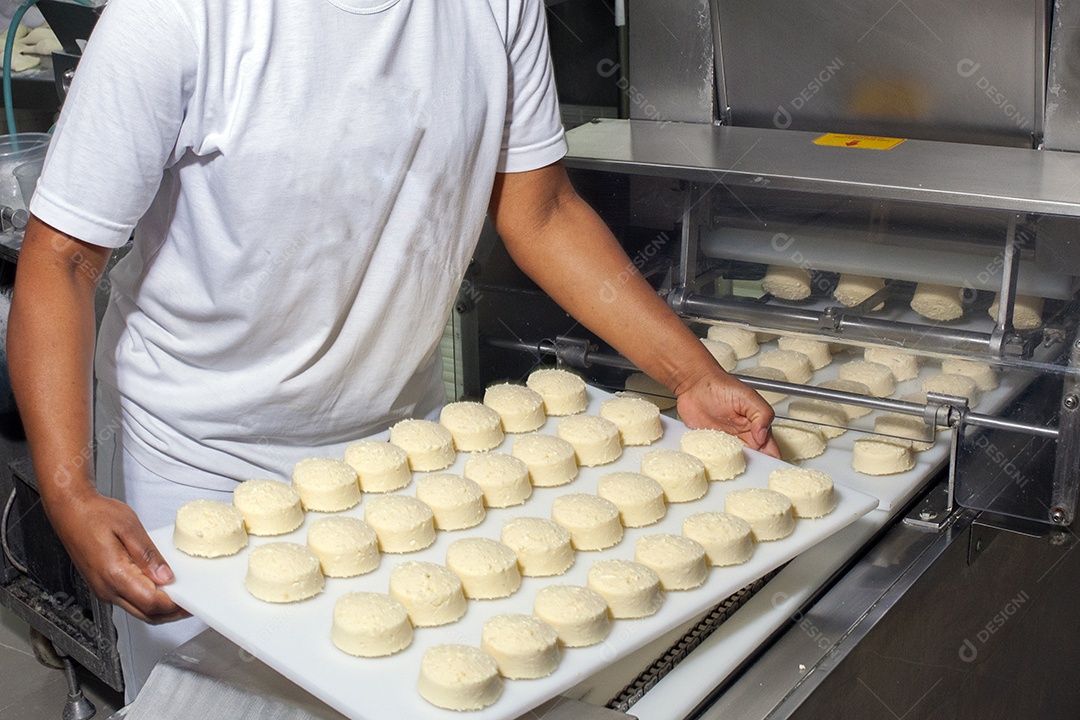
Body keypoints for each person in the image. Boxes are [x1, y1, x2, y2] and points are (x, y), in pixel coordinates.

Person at [6, 0, 777, 701]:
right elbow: (63, 261)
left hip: (400, 459)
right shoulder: (175, 18)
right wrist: (70, 489)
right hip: (201, 468)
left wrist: (691, 373)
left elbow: (540, 213)